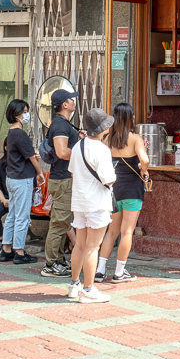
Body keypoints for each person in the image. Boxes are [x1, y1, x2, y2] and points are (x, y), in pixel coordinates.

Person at [67, 108, 117, 303]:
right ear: (104, 129)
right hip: (97, 202)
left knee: (80, 245)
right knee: (92, 247)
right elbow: (109, 179)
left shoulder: (78, 146)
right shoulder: (102, 150)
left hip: (79, 201)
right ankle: (88, 289)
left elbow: (73, 172)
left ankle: (74, 284)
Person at [97, 102, 150, 283]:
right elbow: (145, 159)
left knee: (111, 232)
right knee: (127, 232)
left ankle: (99, 270)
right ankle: (119, 272)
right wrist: (144, 170)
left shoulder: (107, 139)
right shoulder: (135, 138)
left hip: (113, 190)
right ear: (130, 118)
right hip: (132, 190)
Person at [0, 99, 45, 265]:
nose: (27, 114)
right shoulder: (20, 133)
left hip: (11, 178)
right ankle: (19, 251)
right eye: (25, 111)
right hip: (22, 179)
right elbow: (31, 156)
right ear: (17, 114)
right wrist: (40, 172)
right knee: (22, 217)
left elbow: (25, 154)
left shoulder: (11, 133)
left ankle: (6, 249)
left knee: (12, 215)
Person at [41, 88, 80, 278]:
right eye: (72, 99)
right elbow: (62, 152)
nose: (74, 101)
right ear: (65, 104)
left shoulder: (64, 124)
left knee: (63, 222)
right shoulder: (60, 126)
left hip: (64, 178)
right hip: (63, 179)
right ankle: (50, 264)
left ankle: (57, 260)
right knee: (59, 223)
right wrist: (83, 151)